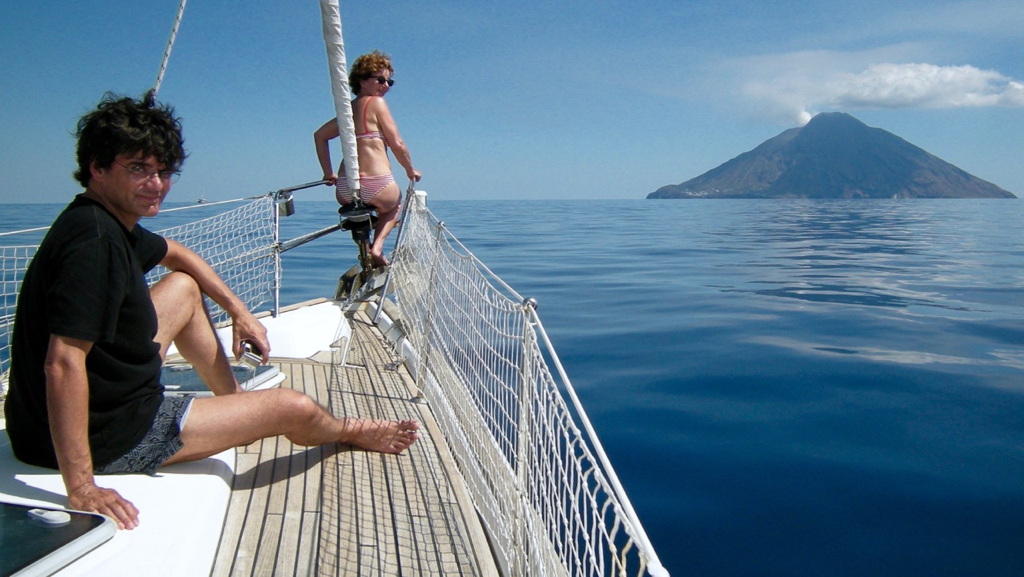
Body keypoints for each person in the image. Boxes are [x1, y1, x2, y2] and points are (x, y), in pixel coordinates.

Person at [3, 93, 419, 531]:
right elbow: (63, 363)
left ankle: (234, 406)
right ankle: (348, 429)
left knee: (183, 287)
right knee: (293, 406)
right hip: (109, 431)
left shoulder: (101, 219)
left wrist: (239, 311)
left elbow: (179, 255)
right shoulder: (95, 245)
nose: (156, 184)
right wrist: (82, 486)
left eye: (164, 171)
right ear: (97, 167)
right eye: (138, 169)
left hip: (55, 415)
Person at [314, 50, 421, 267]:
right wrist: (410, 169)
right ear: (362, 81)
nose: (386, 86)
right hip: (377, 185)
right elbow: (397, 143)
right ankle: (377, 248)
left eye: (390, 82)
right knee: (394, 207)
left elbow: (320, 136)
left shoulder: (348, 110)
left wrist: (328, 172)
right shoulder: (377, 103)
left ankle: (364, 251)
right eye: (380, 80)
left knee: (370, 210)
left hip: (345, 188)